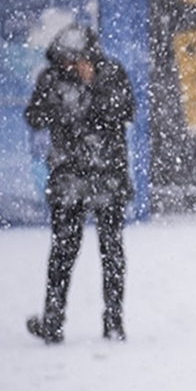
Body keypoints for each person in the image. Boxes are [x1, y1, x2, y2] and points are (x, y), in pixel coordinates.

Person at [24, 25, 134, 343]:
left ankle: (114, 321)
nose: (70, 67)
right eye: (65, 61)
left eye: (76, 60)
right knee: (62, 251)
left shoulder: (111, 74)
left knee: (111, 250)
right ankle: (53, 322)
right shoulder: (51, 78)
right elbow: (33, 115)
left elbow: (125, 110)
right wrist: (64, 107)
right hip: (68, 177)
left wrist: (91, 88)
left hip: (106, 176)